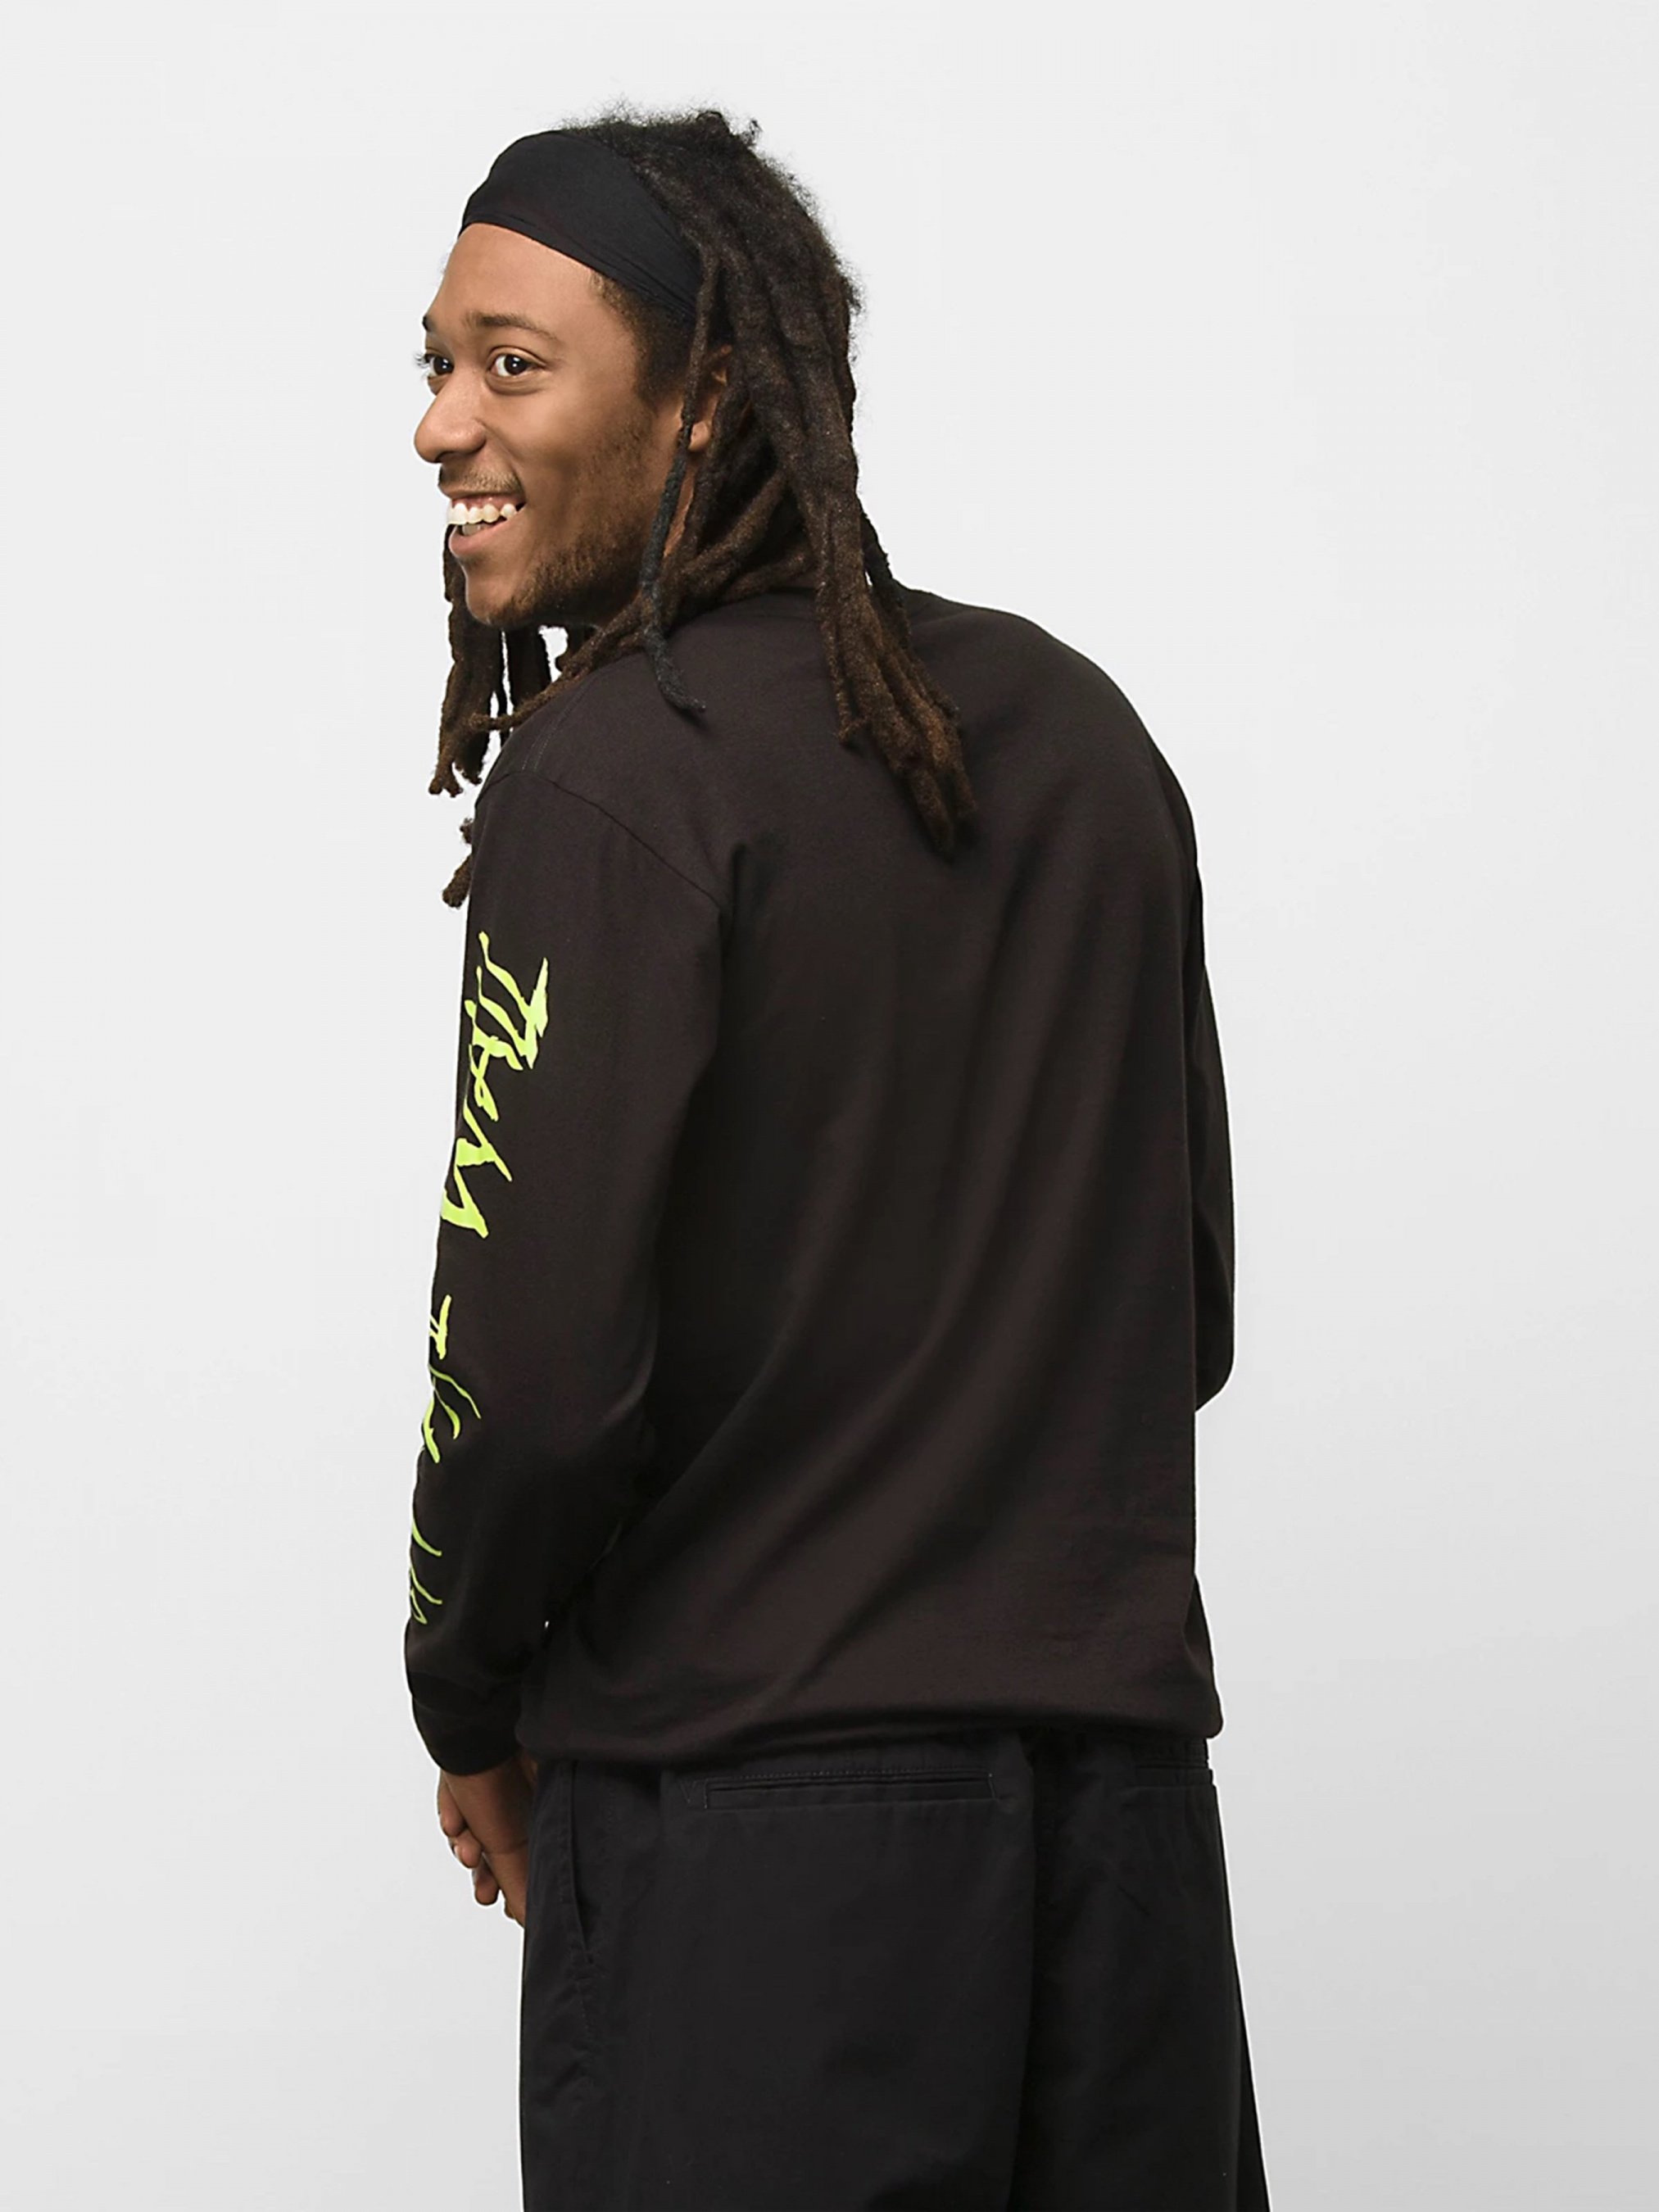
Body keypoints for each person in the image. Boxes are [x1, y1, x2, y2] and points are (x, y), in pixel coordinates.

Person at [402, 103, 1270, 2212]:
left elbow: (529, 1384)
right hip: (1122, 1855)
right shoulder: (1071, 735)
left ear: (704, 401)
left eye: (513, 365)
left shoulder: (614, 772)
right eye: (433, 363)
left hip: (756, 1862)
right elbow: (1181, 1310)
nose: (441, 425)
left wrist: (466, 1699)